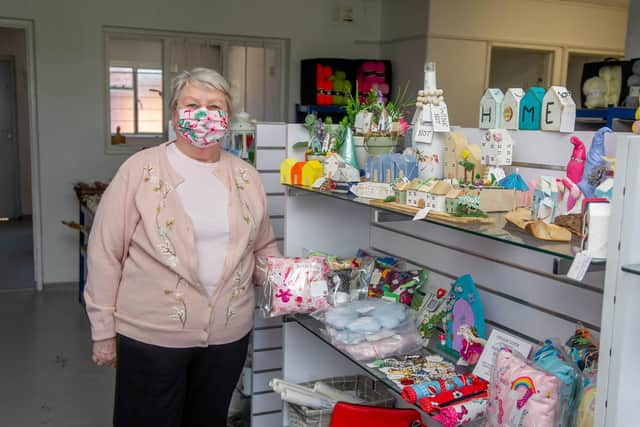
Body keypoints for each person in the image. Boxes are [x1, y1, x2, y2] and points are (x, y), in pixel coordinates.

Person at [85, 67, 280, 427]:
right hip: (151, 336)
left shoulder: (246, 176)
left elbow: (262, 246)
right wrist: (103, 332)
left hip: (226, 337)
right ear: (174, 113)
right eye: (192, 104)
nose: (203, 114)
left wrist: (292, 284)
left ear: (228, 117)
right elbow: (104, 252)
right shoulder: (140, 169)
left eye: (214, 105)